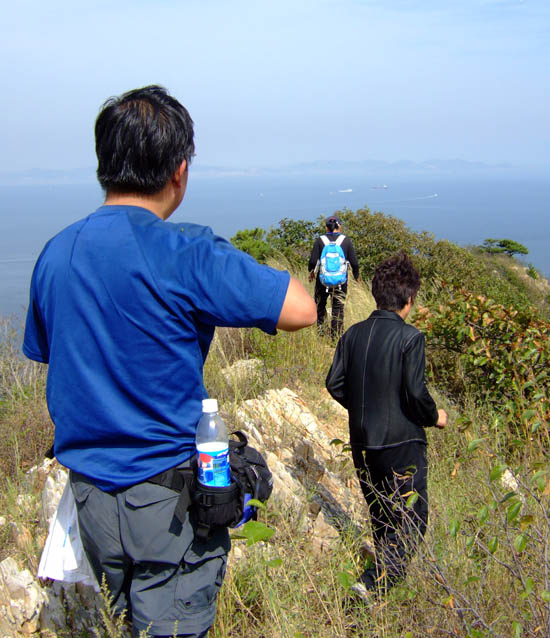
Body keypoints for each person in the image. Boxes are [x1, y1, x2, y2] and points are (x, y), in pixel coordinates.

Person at [23, 85, 316, 638]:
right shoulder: (187, 252)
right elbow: (301, 309)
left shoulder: (56, 253)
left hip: (90, 500)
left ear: (104, 163)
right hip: (169, 505)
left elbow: (54, 355)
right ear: (179, 171)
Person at [325, 252, 447, 597]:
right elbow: (415, 393)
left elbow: (334, 383)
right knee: (411, 520)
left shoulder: (352, 334)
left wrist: (364, 406)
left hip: (363, 443)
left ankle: (374, 594)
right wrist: (435, 416)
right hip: (401, 445)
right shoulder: (411, 338)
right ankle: (370, 588)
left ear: (377, 294)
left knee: (381, 515)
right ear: (409, 300)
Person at [308, 215, 360, 339]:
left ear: (326, 227)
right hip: (340, 282)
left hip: (322, 280)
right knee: (338, 307)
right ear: (339, 226)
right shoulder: (346, 241)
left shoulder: (320, 240)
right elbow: (354, 262)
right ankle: (336, 337)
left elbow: (313, 261)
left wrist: (311, 272)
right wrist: (356, 276)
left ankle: (321, 333)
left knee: (320, 305)